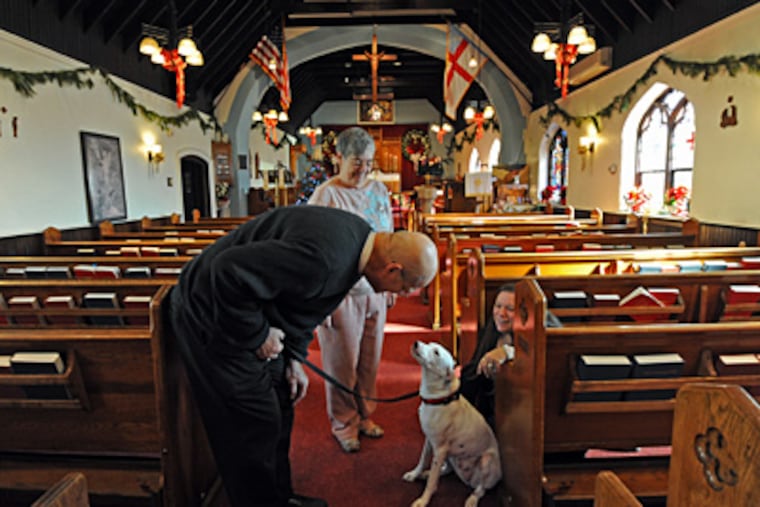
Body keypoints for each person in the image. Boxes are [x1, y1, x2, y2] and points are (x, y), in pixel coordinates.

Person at [166, 205, 438, 507]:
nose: (400, 295)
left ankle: (280, 498)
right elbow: (226, 271)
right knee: (255, 421)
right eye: (405, 288)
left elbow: (307, 304)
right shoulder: (326, 258)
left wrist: (294, 357)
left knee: (282, 400)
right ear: (392, 269)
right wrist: (258, 335)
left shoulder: (359, 244)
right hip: (210, 310)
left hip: (251, 309)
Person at [307, 127, 394, 453]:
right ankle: (343, 423)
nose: (364, 170)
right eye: (357, 162)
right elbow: (312, 251)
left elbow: (388, 236)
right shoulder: (325, 196)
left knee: (370, 361)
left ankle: (365, 415)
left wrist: (390, 281)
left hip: (375, 290)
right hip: (341, 294)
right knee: (342, 363)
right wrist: (321, 299)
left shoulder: (379, 191)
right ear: (338, 157)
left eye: (369, 163)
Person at [459, 283, 516, 427]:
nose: (501, 313)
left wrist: (507, 351)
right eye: (498, 306)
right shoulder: (490, 332)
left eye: (510, 309)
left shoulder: (539, 337)